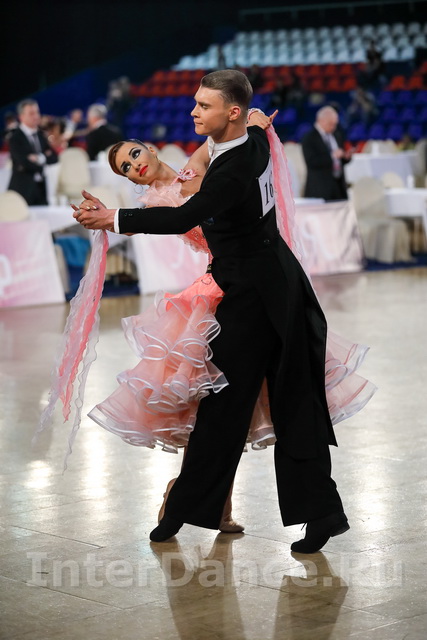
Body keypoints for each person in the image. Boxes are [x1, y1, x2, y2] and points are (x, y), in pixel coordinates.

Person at [73, 70, 360, 553]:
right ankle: (189, 508)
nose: (193, 111)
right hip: (257, 285)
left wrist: (113, 218)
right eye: (195, 102)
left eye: (204, 105)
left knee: (290, 401)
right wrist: (255, 120)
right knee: (227, 402)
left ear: (229, 112)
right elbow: (243, 134)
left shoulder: (233, 167)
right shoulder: (247, 142)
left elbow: (185, 215)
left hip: (263, 292)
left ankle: (321, 514)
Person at [7, 99, 58, 205]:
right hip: (22, 191)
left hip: (41, 191)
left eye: (37, 112)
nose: (36, 116)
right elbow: (23, 162)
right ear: (21, 117)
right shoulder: (15, 137)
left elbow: (54, 157)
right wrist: (43, 161)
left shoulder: (41, 135)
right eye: (31, 113)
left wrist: (39, 158)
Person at [302, 106, 352, 201]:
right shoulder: (309, 138)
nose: (333, 127)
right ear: (322, 121)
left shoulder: (336, 135)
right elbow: (311, 162)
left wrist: (346, 157)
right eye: (331, 124)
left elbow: (340, 159)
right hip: (320, 188)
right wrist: (332, 156)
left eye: (335, 124)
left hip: (338, 187)